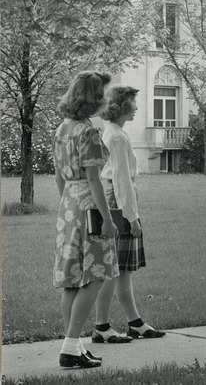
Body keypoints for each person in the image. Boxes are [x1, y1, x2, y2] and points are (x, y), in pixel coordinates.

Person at [52, 71, 118, 369]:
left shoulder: (62, 129)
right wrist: (107, 218)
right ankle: (70, 346)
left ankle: (75, 346)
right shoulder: (88, 132)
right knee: (95, 274)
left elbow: (58, 177)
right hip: (89, 208)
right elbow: (94, 179)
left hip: (68, 205)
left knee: (72, 278)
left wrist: (68, 206)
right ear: (94, 97)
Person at [93, 86, 166, 344]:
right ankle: (101, 325)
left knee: (122, 269)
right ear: (123, 106)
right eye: (134, 102)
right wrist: (132, 217)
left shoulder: (115, 133)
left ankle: (135, 322)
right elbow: (121, 180)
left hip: (117, 202)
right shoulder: (116, 137)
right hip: (119, 205)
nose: (136, 107)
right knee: (113, 269)